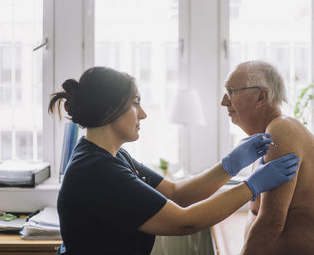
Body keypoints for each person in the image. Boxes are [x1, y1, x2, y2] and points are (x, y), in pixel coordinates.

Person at [49, 66, 300, 255]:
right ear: (108, 111)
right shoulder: (96, 171)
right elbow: (184, 221)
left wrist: (229, 166)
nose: (144, 114)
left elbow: (176, 192)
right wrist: (251, 186)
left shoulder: (112, 157)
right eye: (135, 103)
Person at [221, 60, 314, 255]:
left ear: (261, 96)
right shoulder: (267, 138)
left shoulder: (282, 130)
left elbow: (271, 222)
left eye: (231, 91)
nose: (224, 101)